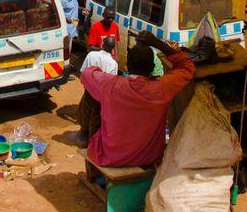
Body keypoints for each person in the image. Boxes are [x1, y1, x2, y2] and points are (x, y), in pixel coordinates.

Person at [77, 30, 196, 166]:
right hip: (148, 158)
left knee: (92, 95)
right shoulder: (161, 88)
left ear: (127, 65)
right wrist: (158, 44)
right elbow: (187, 67)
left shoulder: (110, 84)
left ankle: (83, 133)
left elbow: (86, 73)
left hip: (108, 156)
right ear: (152, 68)